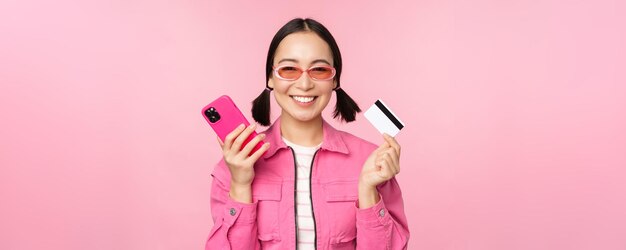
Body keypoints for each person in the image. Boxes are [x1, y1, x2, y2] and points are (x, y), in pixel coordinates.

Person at [205, 18, 409, 249]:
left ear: (334, 80)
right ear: (270, 78)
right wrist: (240, 185)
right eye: (289, 69)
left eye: (319, 70)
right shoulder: (235, 163)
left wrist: (368, 190)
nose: (304, 84)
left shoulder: (372, 161)